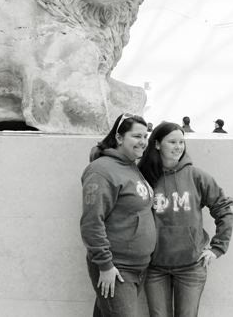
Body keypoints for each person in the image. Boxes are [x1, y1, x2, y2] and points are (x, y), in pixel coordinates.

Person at [138, 122, 233, 317]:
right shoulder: (143, 177)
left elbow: (223, 209)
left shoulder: (197, 176)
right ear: (157, 144)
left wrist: (217, 248)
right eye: (172, 142)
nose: (178, 147)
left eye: (181, 142)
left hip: (191, 266)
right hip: (154, 266)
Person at [81, 113, 156, 317]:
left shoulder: (131, 167)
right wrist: (105, 265)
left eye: (145, 136)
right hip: (117, 268)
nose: (143, 142)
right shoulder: (101, 171)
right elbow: (91, 222)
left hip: (137, 267)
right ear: (119, 138)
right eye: (136, 136)